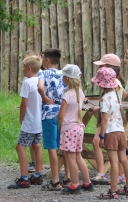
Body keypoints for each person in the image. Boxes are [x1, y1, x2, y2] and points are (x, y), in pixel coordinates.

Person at [82, 54, 126, 185]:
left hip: (110, 122)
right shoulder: (111, 85)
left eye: (101, 65)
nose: (99, 67)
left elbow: (110, 106)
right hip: (110, 120)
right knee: (97, 143)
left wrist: (102, 134)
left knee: (104, 145)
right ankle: (106, 173)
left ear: (108, 67)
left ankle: (111, 175)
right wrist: (98, 108)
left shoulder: (114, 84)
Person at [92, 67, 128, 199]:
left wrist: (102, 136)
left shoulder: (105, 98)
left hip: (110, 133)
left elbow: (104, 119)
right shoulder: (116, 94)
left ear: (101, 84)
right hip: (121, 131)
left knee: (114, 161)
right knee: (124, 159)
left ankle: (113, 191)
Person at [56, 64, 94, 194]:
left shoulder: (67, 95)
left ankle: (75, 184)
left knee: (71, 157)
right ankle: (87, 182)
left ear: (66, 78)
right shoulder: (80, 92)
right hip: (79, 128)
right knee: (78, 156)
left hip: (69, 129)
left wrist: (59, 123)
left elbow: (61, 115)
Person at [8, 56, 44, 189]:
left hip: (29, 122)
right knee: (37, 146)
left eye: (23, 67)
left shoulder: (27, 83)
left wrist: (21, 117)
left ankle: (24, 178)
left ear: (29, 69)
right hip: (38, 121)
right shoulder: (40, 81)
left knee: (20, 147)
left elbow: (24, 104)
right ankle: (37, 175)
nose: (22, 70)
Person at [37, 48, 68, 191]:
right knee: (64, 147)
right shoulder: (63, 74)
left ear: (47, 60)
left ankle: (55, 180)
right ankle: (67, 177)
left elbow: (40, 87)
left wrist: (44, 98)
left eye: (43, 58)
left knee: (52, 148)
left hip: (48, 113)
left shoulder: (42, 73)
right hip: (63, 112)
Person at [23, 50, 43, 173]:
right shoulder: (29, 78)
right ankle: (34, 164)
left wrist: (22, 115)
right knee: (35, 144)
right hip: (33, 112)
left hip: (34, 115)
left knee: (21, 146)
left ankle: (26, 173)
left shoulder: (38, 77)